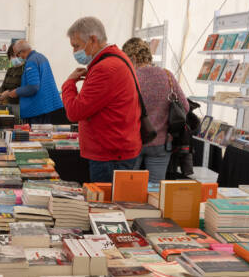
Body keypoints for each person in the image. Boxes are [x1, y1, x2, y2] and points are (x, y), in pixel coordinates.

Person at [61, 16, 142, 183]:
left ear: (92, 40)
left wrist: (68, 84)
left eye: (76, 46)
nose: (74, 52)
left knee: (105, 205)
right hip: (113, 150)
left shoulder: (105, 68)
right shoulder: (115, 59)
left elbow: (74, 111)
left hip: (109, 155)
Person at [121, 36, 188, 184]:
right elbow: (185, 106)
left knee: (128, 187)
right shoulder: (167, 75)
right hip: (161, 143)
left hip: (133, 142)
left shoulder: (128, 78)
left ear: (130, 57)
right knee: (155, 190)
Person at [0, 40, 64, 124]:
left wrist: (16, 92)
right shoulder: (41, 57)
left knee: (35, 135)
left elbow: (33, 87)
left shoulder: (31, 62)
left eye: (17, 54)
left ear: (22, 51)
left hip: (37, 109)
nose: (18, 57)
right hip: (46, 107)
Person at [0, 43, 24, 108]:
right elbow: (3, 86)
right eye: (12, 56)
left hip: (20, 105)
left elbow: (25, 88)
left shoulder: (26, 69)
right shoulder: (10, 70)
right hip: (8, 104)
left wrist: (8, 92)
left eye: (15, 56)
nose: (14, 58)